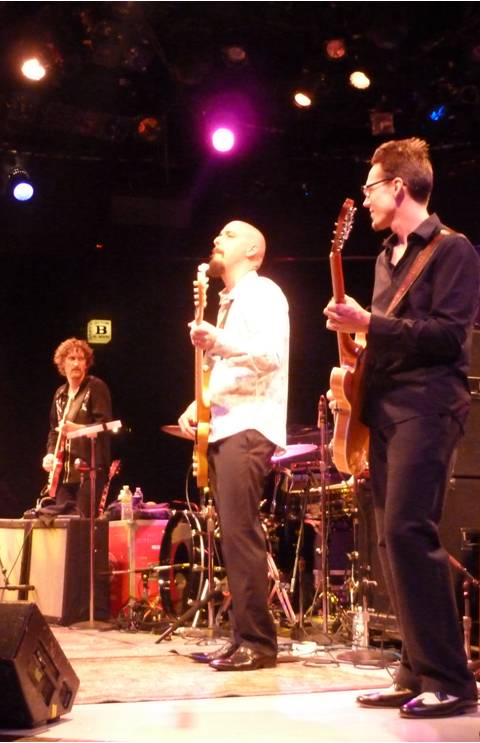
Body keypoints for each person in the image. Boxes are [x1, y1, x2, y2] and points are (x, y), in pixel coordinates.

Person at [323, 138, 480, 717]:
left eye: (370, 188)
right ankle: (415, 670)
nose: (365, 199)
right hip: (387, 408)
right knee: (391, 540)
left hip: (429, 405)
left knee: (411, 531)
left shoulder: (453, 250)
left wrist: (371, 323)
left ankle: (452, 680)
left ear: (398, 186)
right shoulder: (387, 259)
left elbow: (447, 335)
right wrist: (358, 350)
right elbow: (391, 336)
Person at [177, 220, 289, 672]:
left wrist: (217, 341)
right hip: (226, 424)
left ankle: (259, 643)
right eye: (218, 234)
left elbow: (270, 356)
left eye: (228, 235)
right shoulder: (231, 301)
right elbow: (230, 370)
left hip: (249, 424)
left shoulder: (263, 293)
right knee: (234, 535)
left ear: (253, 251)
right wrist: (198, 403)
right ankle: (242, 635)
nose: (217, 239)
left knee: (242, 535)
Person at [41, 338, 112, 517]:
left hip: (89, 471)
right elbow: (54, 431)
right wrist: (50, 454)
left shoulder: (95, 387)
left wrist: (78, 429)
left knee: (82, 524)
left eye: (81, 359)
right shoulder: (60, 394)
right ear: (62, 363)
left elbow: (106, 426)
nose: (76, 363)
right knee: (64, 524)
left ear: (86, 364)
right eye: (71, 358)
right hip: (63, 474)